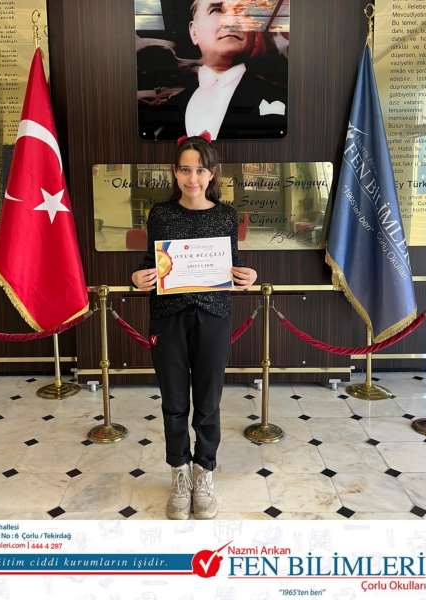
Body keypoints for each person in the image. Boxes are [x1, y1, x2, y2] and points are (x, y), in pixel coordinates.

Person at [131, 133, 257, 519]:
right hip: (168, 316)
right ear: (175, 172)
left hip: (213, 315)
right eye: (185, 170)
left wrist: (247, 276)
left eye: (200, 170)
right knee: (173, 402)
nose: (193, 178)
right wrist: (136, 278)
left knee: (207, 402)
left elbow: (232, 266)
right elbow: (149, 263)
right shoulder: (161, 214)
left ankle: (204, 472)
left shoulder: (225, 215)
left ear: (212, 173)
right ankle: (179, 473)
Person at [138, 0, 288, 140]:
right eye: (216, 10)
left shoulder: (284, 100)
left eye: (242, 11)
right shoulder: (164, 112)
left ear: (254, 33)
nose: (231, 21)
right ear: (194, 32)